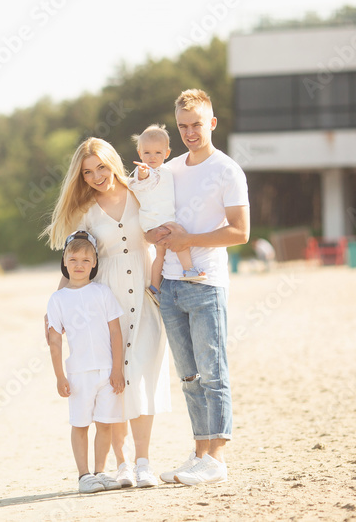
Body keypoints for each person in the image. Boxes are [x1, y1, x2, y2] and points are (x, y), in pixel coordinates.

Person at [43, 137, 172, 489]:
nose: (97, 176)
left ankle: (144, 462)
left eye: (101, 167)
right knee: (116, 385)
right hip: (106, 303)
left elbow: (166, 218)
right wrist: (56, 306)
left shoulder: (139, 193)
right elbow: (75, 261)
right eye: (88, 172)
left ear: (113, 162)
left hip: (146, 297)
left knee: (143, 377)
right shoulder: (85, 212)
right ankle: (122, 464)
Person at [149, 89, 249, 486]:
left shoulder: (227, 171)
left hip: (206, 284)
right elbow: (152, 212)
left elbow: (240, 232)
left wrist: (189, 240)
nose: (191, 132)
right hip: (170, 284)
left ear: (212, 123)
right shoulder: (170, 170)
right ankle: (200, 452)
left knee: (213, 371)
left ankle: (217, 459)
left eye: (197, 124)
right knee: (189, 376)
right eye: (183, 126)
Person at [46, 231, 125, 493]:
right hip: (78, 373)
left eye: (85, 260)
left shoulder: (103, 293)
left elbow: (115, 332)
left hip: (107, 372)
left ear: (94, 264)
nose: (79, 265)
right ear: (64, 262)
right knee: (80, 424)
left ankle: (101, 471)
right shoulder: (57, 300)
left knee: (105, 423)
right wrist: (59, 376)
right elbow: (55, 342)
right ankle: (84, 476)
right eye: (73, 259)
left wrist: (117, 369)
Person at [126, 124, 206, 294]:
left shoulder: (166, 171)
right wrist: (142, 173)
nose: (152, 157)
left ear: (166, 153)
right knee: (180, 237)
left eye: (158, 153)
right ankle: (189, 270)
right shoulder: (146, 172)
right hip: (156, 221)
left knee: (160, 256)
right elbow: (142, 180)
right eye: (147, 153)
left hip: (157, 221)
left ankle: (154, 287)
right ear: (140, 154)